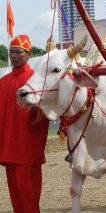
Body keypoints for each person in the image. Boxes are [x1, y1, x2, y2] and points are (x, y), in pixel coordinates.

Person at [0, 34, 50, 212]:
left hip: (28, 146)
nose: (13, 56)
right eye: (11, 52)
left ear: (29, 54)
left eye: (18, 52)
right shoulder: (3, 82)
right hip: (8, 147)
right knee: (15, 196)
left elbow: (46, 113)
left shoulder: (35, 80)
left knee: (28, 195)